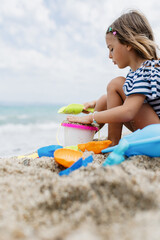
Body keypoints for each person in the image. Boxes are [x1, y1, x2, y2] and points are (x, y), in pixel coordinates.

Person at [67, 10, 160, 146]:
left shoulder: (146, 70)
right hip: (152, 129)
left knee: (115, 84)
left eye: (111, 48)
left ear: (128, 44)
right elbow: (135, 97)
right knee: (105, 99)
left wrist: (92, 116)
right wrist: (94, 104)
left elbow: (128, 111)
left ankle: (112, 141)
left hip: (156, 135)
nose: (110, 56)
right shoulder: (140, 71)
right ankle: (88, 131)